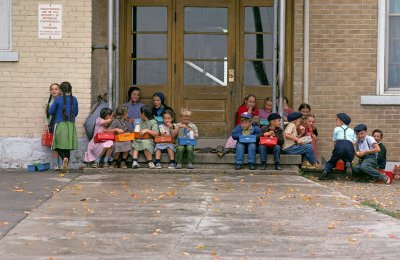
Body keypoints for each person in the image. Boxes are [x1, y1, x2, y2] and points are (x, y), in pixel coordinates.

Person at [48, 81, 79, 173]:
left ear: (60, 90)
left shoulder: (58, 99)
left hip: (60, 124)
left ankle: (64, 158)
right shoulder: (74, 99)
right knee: (67, 145)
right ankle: (66, 164)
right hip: (71, 124)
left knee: (56, 144)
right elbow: (76, 113)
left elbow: (50, 112)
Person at [319, 113, 356, 180]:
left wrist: (335, 151)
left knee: (333, 161)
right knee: (347, 158)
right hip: (349, 146)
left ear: (341, 121)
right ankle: (348, 163)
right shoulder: (352, 130)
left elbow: (335, 141)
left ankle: (326, 170)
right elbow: (354, 142)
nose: (336, 122)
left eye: (337, 120)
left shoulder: (336, 129)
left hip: (339, 145)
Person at [45, 83, 61, 170]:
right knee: (54, 144)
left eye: (56, 89)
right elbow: (46, 115)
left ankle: (63, 163)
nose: (54, 91)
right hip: (52, 123)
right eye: (52, 89)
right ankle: (56, 164)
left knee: (62, 144)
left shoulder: (62, 100)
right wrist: (47, 124)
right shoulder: (48, 102)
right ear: (50, 91)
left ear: (59, 91)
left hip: (61, 123)